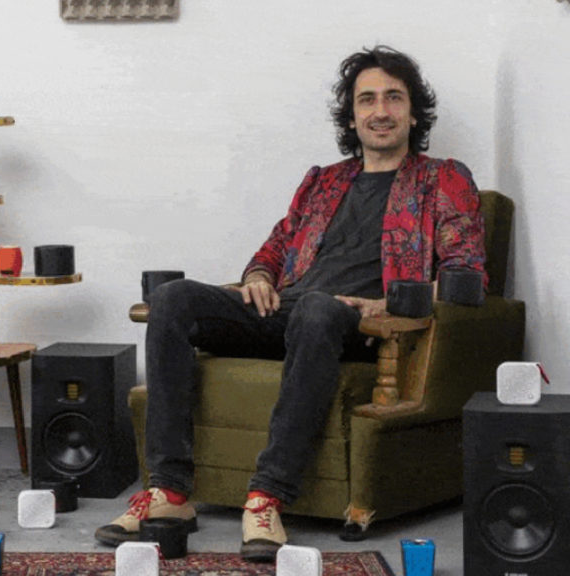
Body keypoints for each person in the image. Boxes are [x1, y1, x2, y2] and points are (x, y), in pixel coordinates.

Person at [94, 45, 487, 562]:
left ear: (413, 112)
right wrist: (259, 276)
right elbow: (276, 247)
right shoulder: (324, 181)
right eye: (367, 99)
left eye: (394, 98)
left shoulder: (442, 178)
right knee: (173, 298)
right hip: (288, 311)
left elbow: (466, 275)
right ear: (352, 115)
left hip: (355, 324)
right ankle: (169, 493)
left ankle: (267, 498)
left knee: (318, 308)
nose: (380, 111)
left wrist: (380, 305)